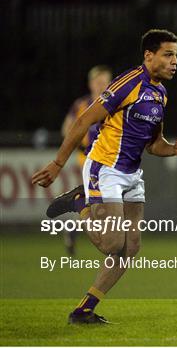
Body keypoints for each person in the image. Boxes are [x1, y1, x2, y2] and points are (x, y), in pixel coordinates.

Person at [32, 29, 177, 324]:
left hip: (133, 173)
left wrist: (175, 149)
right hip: (105, 167)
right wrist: (58, 163)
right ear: (149, 56)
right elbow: (84, 119)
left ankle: (84, 309)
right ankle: (78, 203)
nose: (175, 61)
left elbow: (153, 144)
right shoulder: (128, 82)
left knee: (131, 247)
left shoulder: (160, 94)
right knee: (113, 244)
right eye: (168, 54)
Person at [49, 65, 113, 256]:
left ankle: (74, 227)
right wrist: (78, 144)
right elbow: (66, 128)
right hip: (88, 157)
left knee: (100, 204)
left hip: (110, 159)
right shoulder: (82, 105)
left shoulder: (115, 103)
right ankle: (112, 243)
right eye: (98, 81)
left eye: (105, 81)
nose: (101, 85)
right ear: (91, 84)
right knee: (105, 200)